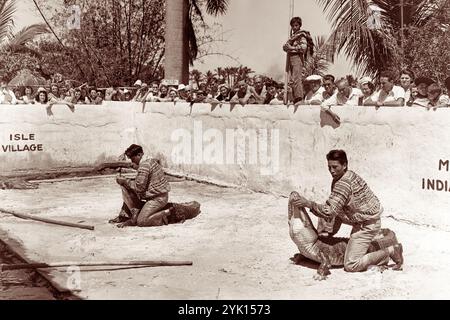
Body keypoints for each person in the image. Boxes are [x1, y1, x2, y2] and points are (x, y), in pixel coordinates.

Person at [290, 150, 404, 272]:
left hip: (367, 224)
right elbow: (336, 206)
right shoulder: (345, 175)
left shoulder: (343, 183)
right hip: (358, 218)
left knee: (351, 265)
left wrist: (308, 203)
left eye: (335, 167)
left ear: (344, 165)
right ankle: (327, 234)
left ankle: (391, 250)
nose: (332, 171)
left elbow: (330, 211)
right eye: (329, 167)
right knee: (326, 207)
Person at [110, 144, 171, 228]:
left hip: (157, 199)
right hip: (156, 195)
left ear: (139, 155)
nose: (132, 161)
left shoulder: (145, 165)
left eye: (132, 158)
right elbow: (138, 170)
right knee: (126, 187)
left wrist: (124, 181)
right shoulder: (148, 161)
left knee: (142, 221)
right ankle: (124, 215)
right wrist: (123, 172)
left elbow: (139, 188)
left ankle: (165, 213)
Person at [283, 17, 314, 104]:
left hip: (297, 57)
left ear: (299, 25)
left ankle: (299, 98)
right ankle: (294, 98)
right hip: (291, 58)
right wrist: (286, 48)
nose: (294, 27)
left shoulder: (301, 35)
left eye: (296, 25)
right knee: (292, 79)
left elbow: (303, 48)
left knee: (297, 78)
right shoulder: (293, 36)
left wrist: (291, 48)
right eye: (293, 26)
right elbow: (287, 47)